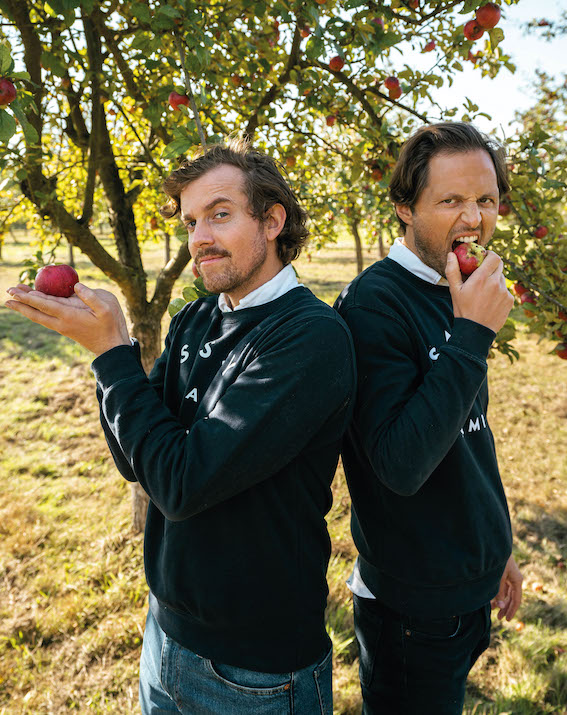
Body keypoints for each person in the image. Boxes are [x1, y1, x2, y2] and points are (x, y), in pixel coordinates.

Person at [6, 139, 356, 714]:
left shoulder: (310, 338)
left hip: (255, 671)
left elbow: (181, 484)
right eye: (192, 221)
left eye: (219, 214)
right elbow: (137, 460)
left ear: (272, 222)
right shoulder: (196, 316)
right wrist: (109, 356)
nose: (199, 238)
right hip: (166, 636)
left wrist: (113, 355)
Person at [334, 122, 523, 714]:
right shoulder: (374, 306)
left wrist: (496, 545)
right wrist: (472, 336)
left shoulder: (458, 288)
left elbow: (471, 435)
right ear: (404, 208)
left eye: (486, 199)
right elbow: (400, 465)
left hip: (467, 585)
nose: (474, 218)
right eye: (451, 200)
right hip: (414, 611)